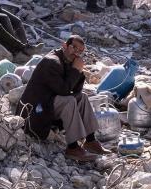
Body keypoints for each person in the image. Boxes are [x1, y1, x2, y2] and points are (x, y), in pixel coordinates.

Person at [19, 35, 109, 164]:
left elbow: (76, 90)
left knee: (82, 97)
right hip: (36, 109)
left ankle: (90, 140)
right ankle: (72, 147)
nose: (76, 53)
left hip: (49, 102)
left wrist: (78, 70)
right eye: (74, 48)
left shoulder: (67, 60)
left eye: (80, 51)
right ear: (64, 45)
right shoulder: (51, 61)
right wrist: (75, 70)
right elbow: (64, 91)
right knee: (69, 101)